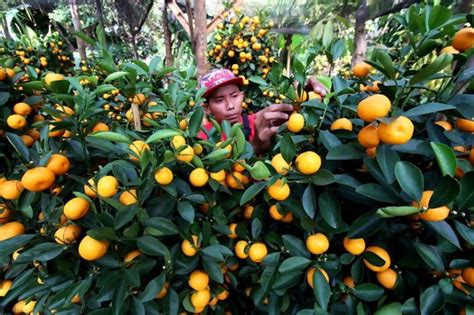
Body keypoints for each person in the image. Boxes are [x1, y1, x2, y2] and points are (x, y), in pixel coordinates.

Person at [197, 68, 326, 154]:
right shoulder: (202, 138)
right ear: (207, 108)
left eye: (234, 96)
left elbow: (290, 115)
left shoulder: (259, 121)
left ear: (242, 96)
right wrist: (255, 146)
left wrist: (305, 98)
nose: (230, 105)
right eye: (219, 100)